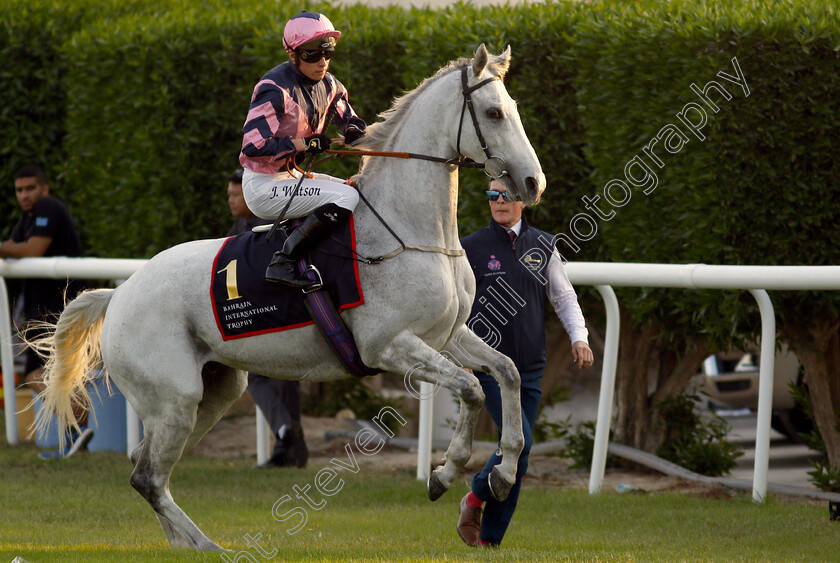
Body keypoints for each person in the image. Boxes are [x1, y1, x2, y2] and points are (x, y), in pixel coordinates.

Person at [456, 179, 595, 547]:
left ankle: (489, 541)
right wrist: (461, 357)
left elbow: (564, 298)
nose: (498, 201)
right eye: (491, 195)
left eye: (506, 194)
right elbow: (456, 309)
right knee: (518, 442)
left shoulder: (544, 245)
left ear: (525, 200)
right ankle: (473, 496)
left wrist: (578, 337)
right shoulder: (469, 248)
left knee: (520, 456)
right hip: (489, 368)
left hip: (530, 369)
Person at [239, 10, 366, 290]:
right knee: (345, 197)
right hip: (263, 185)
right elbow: (252, 146)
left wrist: (354, 131)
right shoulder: (273, 88)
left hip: (294, 178)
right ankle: (283, 260)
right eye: (312, 54)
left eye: (328, 53)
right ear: (293, 54)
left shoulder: (331, 84)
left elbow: (350, 121)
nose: (322, 62)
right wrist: (303, 143)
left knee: (358, 191)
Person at [0, 165, 90, 459]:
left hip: (61, 307)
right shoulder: (28, 218)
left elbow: (33, 250)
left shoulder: (48, 207)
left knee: (43, 374)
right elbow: (16, 246)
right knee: (48, 374)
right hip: (44, 310)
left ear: (44, 189)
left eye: (30, 188)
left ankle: (79, 432)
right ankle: (76, 436)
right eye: (19, 190)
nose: (24, 195)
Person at [225, 169, 308, 468]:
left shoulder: (269, 222)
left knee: (274, 376)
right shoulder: (242, 224)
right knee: (262, 376)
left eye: (236, 195)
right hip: (260, 308)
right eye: (230, 195)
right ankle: (288, 439)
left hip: (280, 307)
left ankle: (288, 440)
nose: (232, 201)